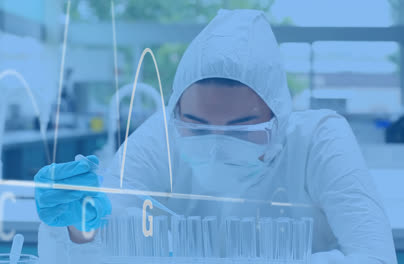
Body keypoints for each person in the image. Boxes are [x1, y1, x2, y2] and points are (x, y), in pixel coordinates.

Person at [35, 9, 397, 263]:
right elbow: (97, 245)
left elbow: (376, 256)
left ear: (279, 119)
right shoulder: (161, 136)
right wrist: (76, 226)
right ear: (176, 112)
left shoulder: (318, 140)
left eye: (242, 128)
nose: (216, 145)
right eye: (197, 126)